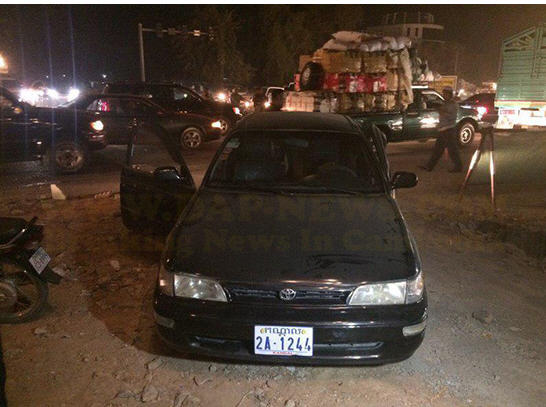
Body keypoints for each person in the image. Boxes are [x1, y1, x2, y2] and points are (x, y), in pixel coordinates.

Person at [420, 87, 463, 172]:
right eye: (443, 93)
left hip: (449, 130)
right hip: (443, 130)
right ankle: (429, 166)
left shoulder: (453, 104)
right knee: (438, 150)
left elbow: (452, 117)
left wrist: (442, 111)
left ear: (450, 95)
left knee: (452, 150)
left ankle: (458, 167)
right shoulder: (445, 103)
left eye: (445, 94)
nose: (444, 95)